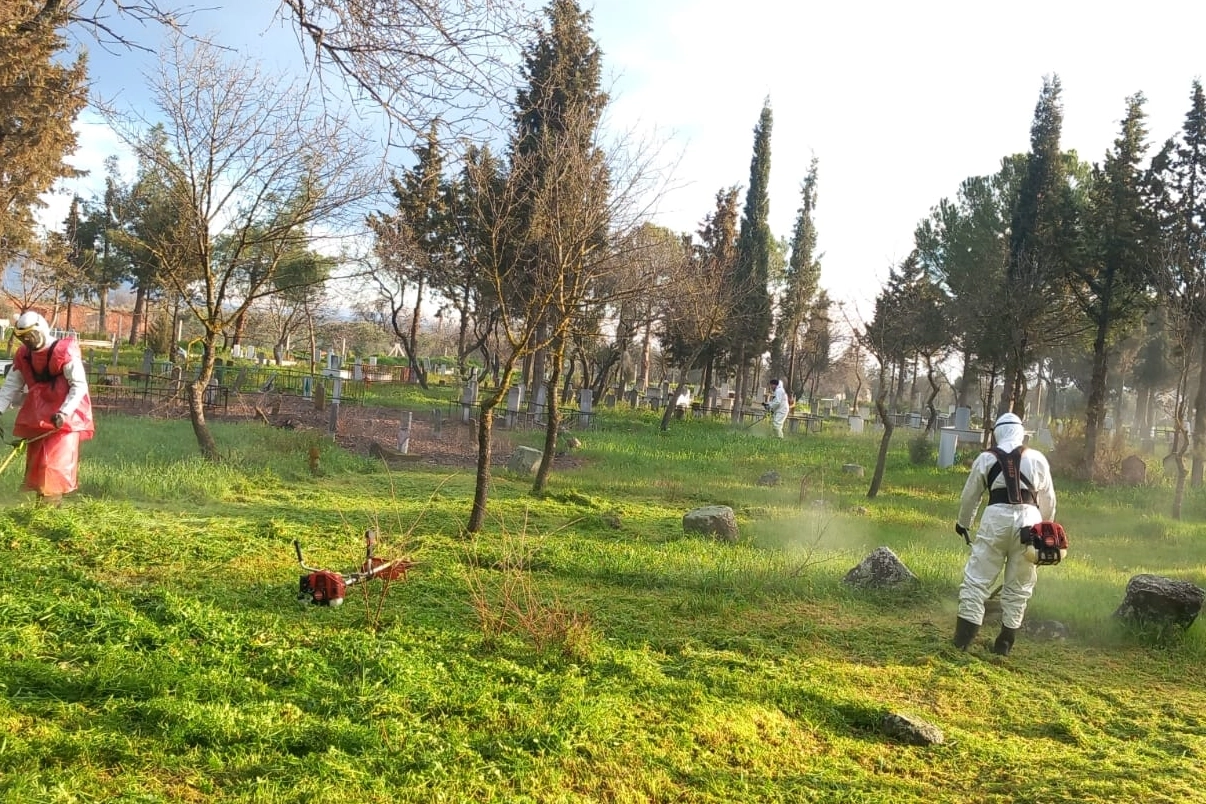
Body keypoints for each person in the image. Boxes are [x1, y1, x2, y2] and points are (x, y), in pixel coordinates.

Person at [952, 412, 1056, 656]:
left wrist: (963, 524)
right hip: (1030, 522)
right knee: (1019, 586)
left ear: (997, 433)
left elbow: (970, 496)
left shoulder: (986, 458)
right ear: (1021, 432)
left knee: (977, 580)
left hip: (995, 521)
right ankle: (1004, 644)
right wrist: (1045, 530)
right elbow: (1049, 500)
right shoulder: (1037, 458)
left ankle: (962, 642)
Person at [0, 311, 94, 506]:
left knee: (54, 467)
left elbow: (79, 386)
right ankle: (40, 509)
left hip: (64, 421)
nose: (27, 341)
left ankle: (49, 511)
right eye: (23, 338)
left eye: (30, 336)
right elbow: (11, 386)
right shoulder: (25, 356)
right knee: (37, 467)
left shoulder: (64, 352)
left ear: (41, 330)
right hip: (38, 419)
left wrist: (64, 412)